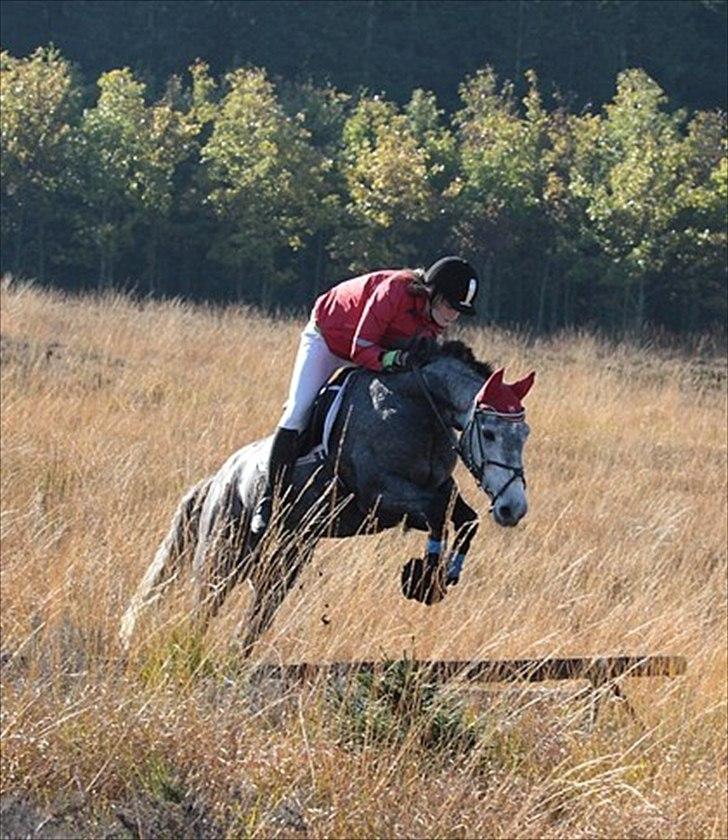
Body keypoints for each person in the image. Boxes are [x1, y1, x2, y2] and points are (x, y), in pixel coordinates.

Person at [250, 255, 480, 540]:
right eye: (449, 305)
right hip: (330, 339)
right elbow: (361, 348)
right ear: (432, 292)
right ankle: (269, 498)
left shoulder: (435, 319)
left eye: (459, 311)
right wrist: (395, 358)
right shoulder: (395, 291)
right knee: (298, 410)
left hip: (374, 345)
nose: (452, 316)